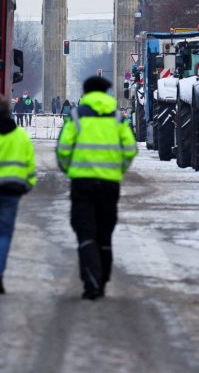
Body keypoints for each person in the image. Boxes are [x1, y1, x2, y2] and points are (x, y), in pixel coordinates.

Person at [57, 76, 136, 300]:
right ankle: (103, 278)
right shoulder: (118, 118)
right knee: (105, 231)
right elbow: (129, 149)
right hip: (109, 183)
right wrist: (117, 169)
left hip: (82, 182)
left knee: (85, 230)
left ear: (86, 92)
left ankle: (92, 280)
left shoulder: (76, 117)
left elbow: (64, 149)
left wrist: (69, 168)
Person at [0, 93, 36, 294]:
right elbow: (30, 164)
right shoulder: (20, 135)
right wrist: (27, 185)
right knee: (4, 234)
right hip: (11, 192)